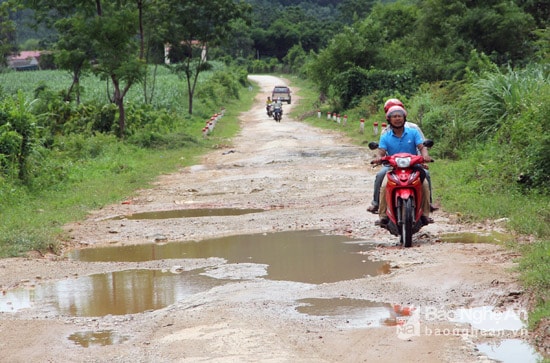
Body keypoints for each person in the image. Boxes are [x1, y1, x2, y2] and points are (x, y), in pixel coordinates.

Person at [367, 99, 436, 213]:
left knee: (425, 178)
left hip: (413, 164)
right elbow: (381, 151)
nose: (397, 118)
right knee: (381, 179)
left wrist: (424, 157)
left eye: (399, 115)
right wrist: (379, 158)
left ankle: (427, 208)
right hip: (392, 165)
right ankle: (381, 211)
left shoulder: (413, 130)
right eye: (394, 116)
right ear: (388, 118)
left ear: (404, 116)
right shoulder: (385, 134)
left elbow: (422, 146)